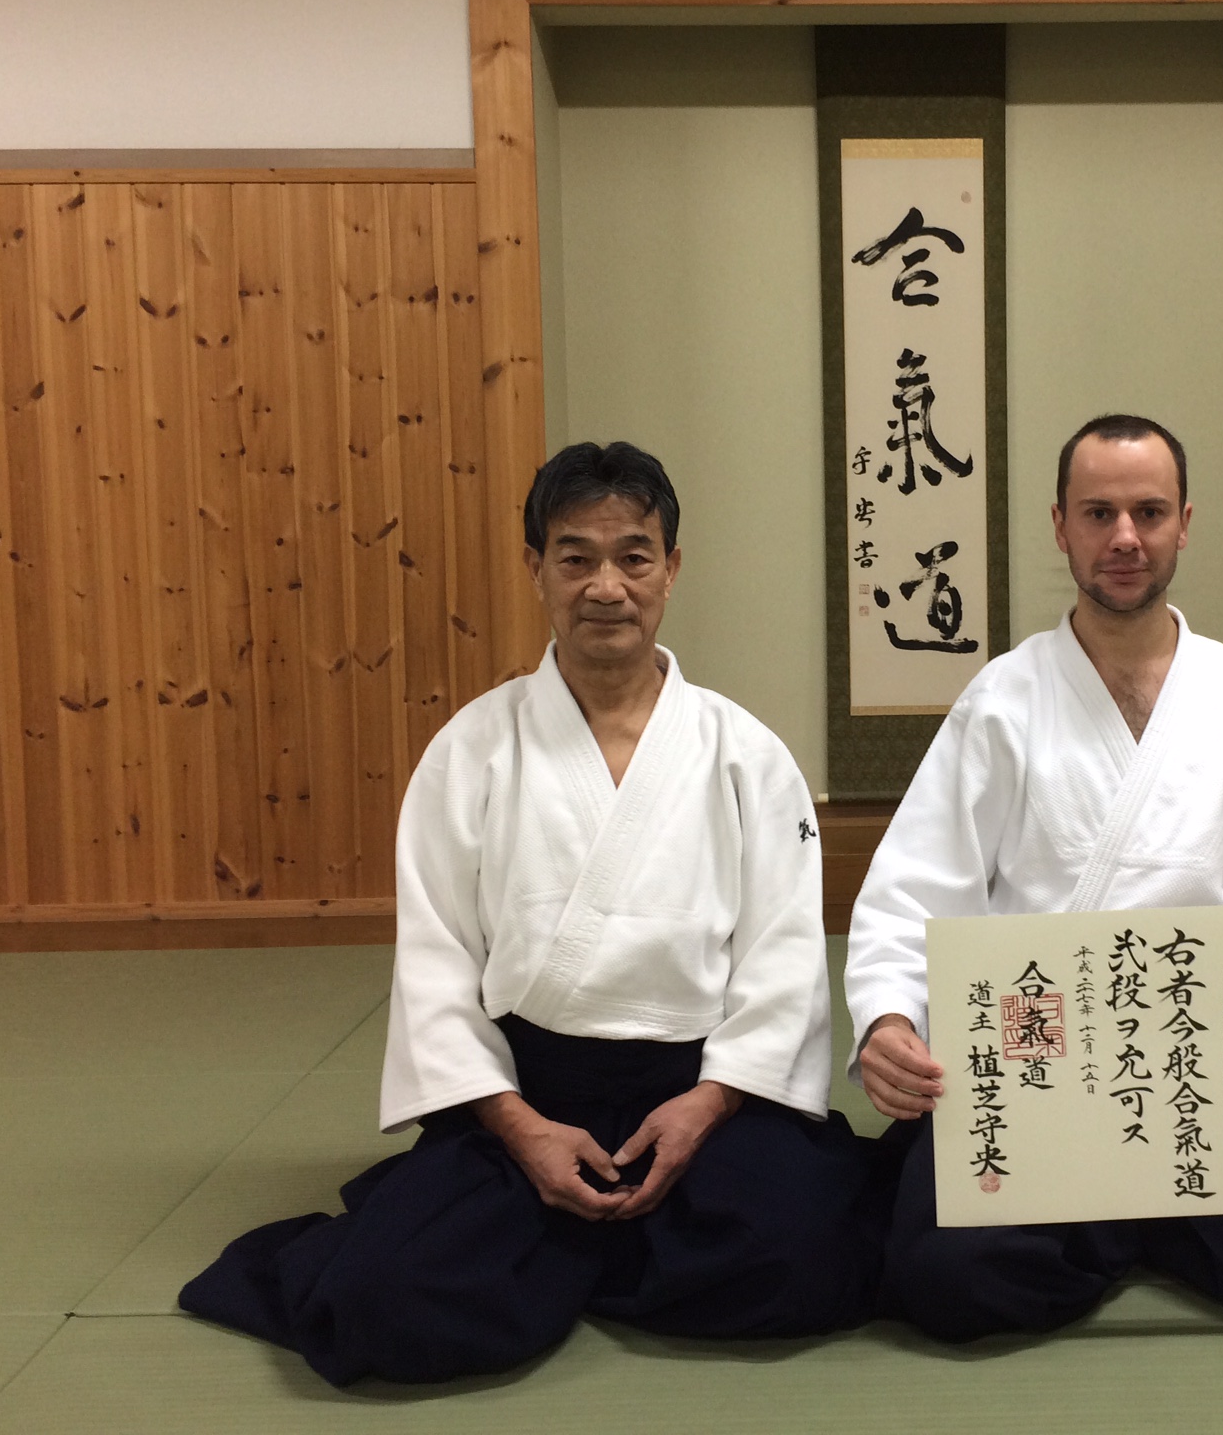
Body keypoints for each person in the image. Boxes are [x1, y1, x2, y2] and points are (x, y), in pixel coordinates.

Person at [181, 441, 881, 1385]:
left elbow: (784, 959)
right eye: (575, 557)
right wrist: (519, 1128)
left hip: (696, 1098)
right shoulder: (470, 750)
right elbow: (436, 966)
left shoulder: (745, 754)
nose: (606, 587)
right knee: (382, 1304)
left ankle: (541, 1258)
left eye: (633, 557)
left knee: (809, 1263)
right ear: (536, 568)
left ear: (671, 568)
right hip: (528, 1096)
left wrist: (710, 1103)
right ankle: (581, 1241)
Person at [845, 414, 1223, 1344]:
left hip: (1215, 1080)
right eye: (1099, 513)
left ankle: (1130, 1229)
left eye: (1149, 512)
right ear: (1061, 527)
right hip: (1047, 1074)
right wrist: (890, 1020)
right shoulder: (1001, 703)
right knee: (944, 1283)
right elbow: (915, 887)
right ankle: (1159, 1231)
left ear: (1184, 524)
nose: (1125, 537)